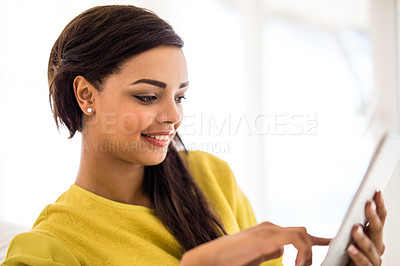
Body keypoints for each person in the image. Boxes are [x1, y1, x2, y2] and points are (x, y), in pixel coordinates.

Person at [2, 5, 386, 266]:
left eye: (180, 96)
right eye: (148, 96)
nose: (173, 116)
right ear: (86, 95)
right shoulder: (48, 249)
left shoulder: (211, 178)